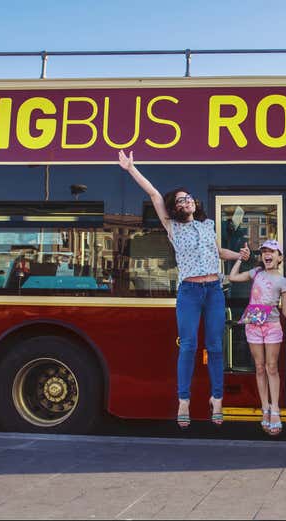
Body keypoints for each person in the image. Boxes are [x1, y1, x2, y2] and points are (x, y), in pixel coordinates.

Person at [118, 150, 250, 429]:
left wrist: (239, 256)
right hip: (189, 292)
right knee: (188, 346)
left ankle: (216, 399)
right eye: (181, 200)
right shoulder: (173, 227)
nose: (187, 201)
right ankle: (184, 401)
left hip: (214, 289)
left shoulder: (208, 225)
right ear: (175, 208)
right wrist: (131, 168)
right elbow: (154, 195)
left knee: (215, 347)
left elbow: (218, 253)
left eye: (188, 197)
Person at [228, 239, 286, 436]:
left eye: (272, 252)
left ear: (280, 258)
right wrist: (240, 258)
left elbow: (285, 310)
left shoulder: (283, 281)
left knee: (271, 367)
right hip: (253, 325)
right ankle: (265, 408)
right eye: (264, 252)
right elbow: (233, 277)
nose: (267, 255)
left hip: (272, 326)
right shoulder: (256, 273)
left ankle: (275, 409)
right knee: (259, 368)